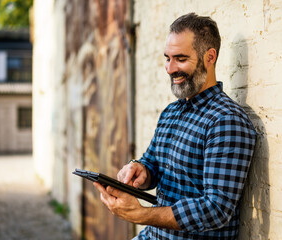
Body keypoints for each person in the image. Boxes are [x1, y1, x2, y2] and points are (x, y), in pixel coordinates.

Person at [94, 12, 257, 239]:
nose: (170, 69)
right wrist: (140, 170)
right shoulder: (171, 112)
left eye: (180, 59)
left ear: (210, 57)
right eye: (167, 58)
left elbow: (216, 210)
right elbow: (151, 163)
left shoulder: (226, 121)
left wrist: (141, 215)